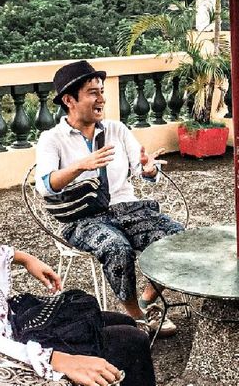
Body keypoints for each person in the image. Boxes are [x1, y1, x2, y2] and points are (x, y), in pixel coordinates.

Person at [0, 237, 201, 386]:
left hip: (10, 329)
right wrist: (55, 359)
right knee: (131, 340)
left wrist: (25, 258)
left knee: (122, 322)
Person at [36, 60, 182, 336]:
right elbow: (46, 185)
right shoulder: (52, 139)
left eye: (101, 91)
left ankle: (147, 299)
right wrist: (81, 165)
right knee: (117, 247)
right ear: (69, 100)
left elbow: (142, 169)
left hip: (126, 209)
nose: (101, 98)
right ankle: (135, 315)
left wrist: (148, 169)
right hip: (83, 218)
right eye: (93, 92)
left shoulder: (117, 130)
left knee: (176, 238)